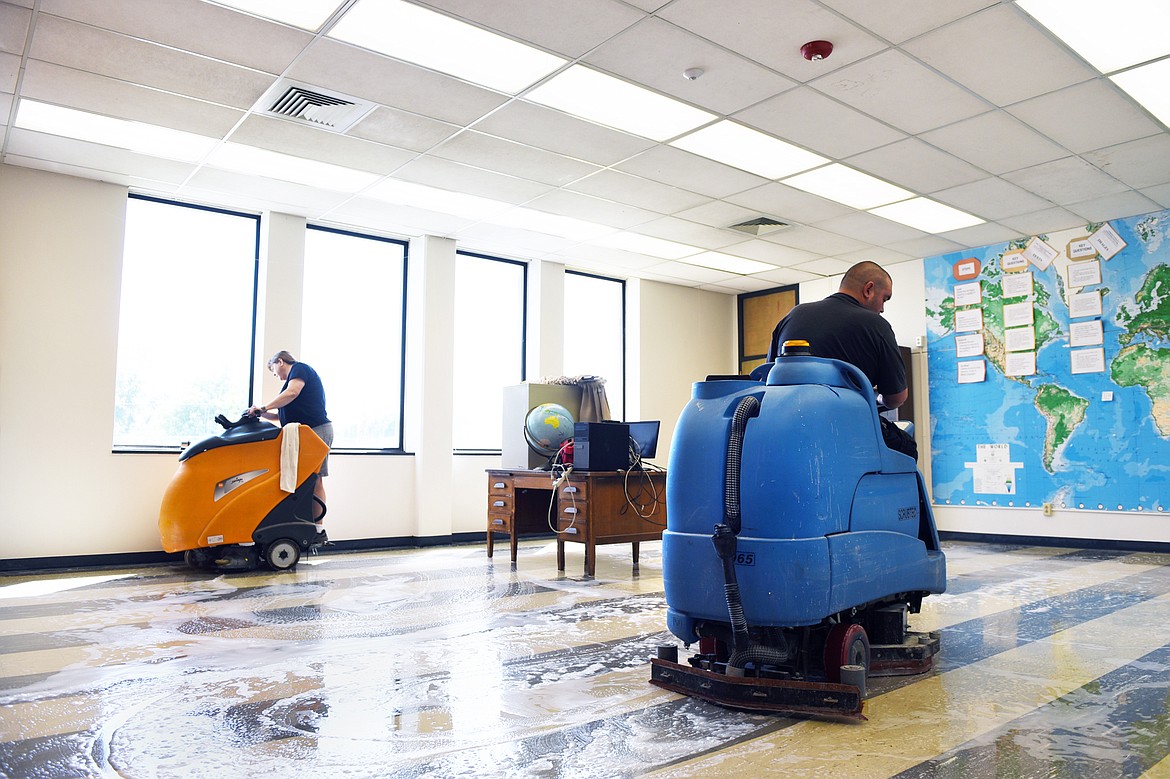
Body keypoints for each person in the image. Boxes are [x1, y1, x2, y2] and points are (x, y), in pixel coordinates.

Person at [766, 261, 917, 460]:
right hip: (845, 427)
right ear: (869, 289)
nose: (882, 308)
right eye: (884, 299)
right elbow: (896, 398)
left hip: (788, 426)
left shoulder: (793, 315)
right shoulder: (877, 325)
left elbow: (768, 376)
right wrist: (876, 399)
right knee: (907, 447)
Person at [247, 351, 333, 525]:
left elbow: (292, 393)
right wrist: (261, 414)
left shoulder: (299, 369)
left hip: (317, 430)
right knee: (305, 480)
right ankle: (304, 524)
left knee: (315, 479)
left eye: (274, 371)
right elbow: (283, 416)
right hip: (308, 432)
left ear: (280, 361)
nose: (277, 377)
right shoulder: (292, 380)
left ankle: (318, 529)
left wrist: (263, 408)